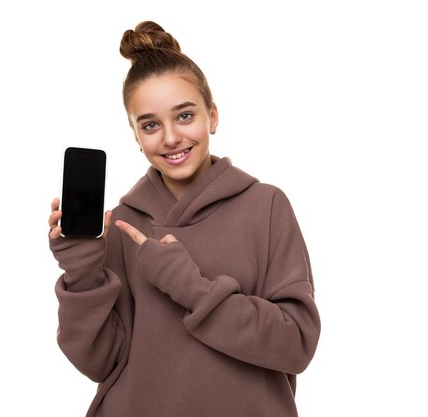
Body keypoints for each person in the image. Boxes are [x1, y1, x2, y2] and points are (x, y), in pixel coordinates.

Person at [48, 20, 321, 417]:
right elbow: (99, 363)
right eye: (151, 125)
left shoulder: (266, 206)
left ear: (212, 116)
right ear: (136, 136)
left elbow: (295, 345)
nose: (171, 137)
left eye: (185, 116)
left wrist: (188, 286)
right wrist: (82, 270)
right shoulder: (122, 223)